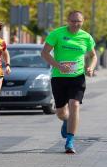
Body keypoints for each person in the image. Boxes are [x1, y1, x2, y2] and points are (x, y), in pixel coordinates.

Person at [42, 10, 97, 154]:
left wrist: (91, 67)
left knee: (74, 104)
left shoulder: (86, 37)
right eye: (73, 21)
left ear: (83, 22)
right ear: (68, 21)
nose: (75, 24)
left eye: (78, 21)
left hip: (77, 77)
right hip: (59, 77)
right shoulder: (56, 34)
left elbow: (93, 56)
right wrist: (59, 66)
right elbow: (44, 53)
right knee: (60, 112)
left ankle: (70, 141)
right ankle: (66, 120)